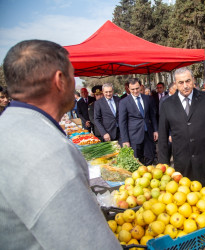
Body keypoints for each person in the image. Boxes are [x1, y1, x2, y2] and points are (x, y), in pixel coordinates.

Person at [0, 40, 121, 249]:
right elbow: (87, 242)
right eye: (73, 75)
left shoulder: (9, 125)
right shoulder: (47, 150)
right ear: (59, 80)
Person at [158, 67, 205, 200]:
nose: (185, 85)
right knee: (187, 201)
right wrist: (163, 164)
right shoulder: (167, 105)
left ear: (193, 80)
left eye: (188, 81)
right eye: (181, 82)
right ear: (175, 84)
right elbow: (163, 136)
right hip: (182, 161)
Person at [119, 78, 158, 165]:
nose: (135, 91)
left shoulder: (148, 99)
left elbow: (153, 116)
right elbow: (122, 122)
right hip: (134, 136)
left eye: (137, 88)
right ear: (128, 89)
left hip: (148, 134)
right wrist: (125, 140)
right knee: (137, 160)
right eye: (132, 89)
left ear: (140, 87)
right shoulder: (124, 102)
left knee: (150, 157)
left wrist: (155, 130)